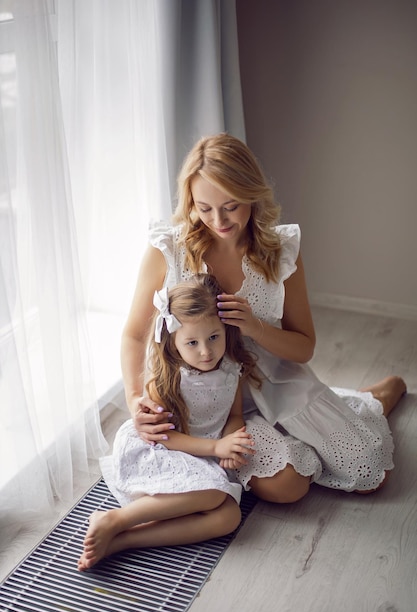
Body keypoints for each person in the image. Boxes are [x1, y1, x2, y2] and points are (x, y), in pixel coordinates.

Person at [121, 132, 406, 503]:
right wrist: (134, 399)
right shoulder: (168, 249)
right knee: (287, 489)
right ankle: (303, 433)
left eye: (231, 206)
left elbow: (304, 347)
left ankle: (370, 401)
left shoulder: (281, 251)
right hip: (205, 400)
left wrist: (254, 326)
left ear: (252, 195)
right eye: (204, 208)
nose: (219, 220)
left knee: (370, 474)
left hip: (275, 383)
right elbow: (133, 335)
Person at [78, 274, 320, 571]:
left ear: (225, 330)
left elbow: (231, 416)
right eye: (192, 342)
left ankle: (123, 540)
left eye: (214, 337)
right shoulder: (168, 378)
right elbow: (164, 436)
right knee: (216, 494)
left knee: (228, 518)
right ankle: (116, 518)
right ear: (173, 342)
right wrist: (216, 447)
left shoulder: (232, 368)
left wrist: (233, 443)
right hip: (164, 451)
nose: (206, 351)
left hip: (204, 456)